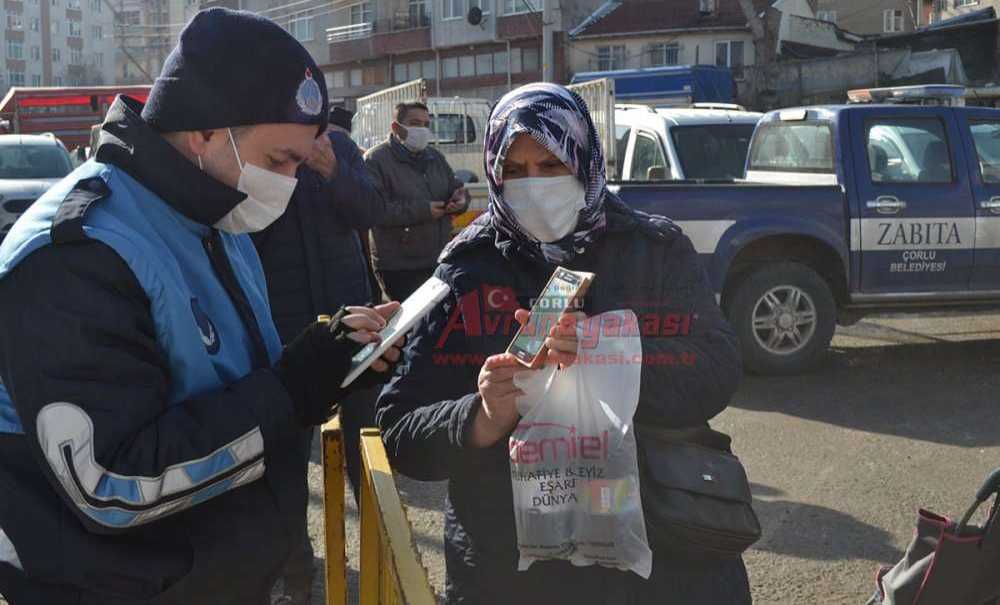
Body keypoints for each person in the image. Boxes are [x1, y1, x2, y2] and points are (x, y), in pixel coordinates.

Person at [0, 9, 402, 605]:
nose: (290, 183)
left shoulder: (213, 215)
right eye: (279, 161)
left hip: (207, 576)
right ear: (205, 132)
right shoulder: (79, 254)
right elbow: (112, 482)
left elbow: (219, 380)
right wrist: (293, 389)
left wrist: (329, 357)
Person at [374, 83, 752, 604]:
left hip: (659, 558)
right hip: (511, 569)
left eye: (551, 165)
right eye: (514, 170)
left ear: (584, 159)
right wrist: (482, 415)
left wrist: (609, 355)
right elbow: (401, 430)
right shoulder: (465, 269)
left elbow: (717, 370)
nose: (534, 185)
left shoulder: (655, 249)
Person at [251, 111, 386, 604]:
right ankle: (297, 570)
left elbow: (371, 211)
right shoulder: (261, 152)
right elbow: (245, 230)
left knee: (364, 443)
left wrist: (333, 171)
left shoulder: (343, 149)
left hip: (352, 323)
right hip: (286, 329)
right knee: (285, 457)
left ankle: (379, 548)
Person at [365, 101, 469, 301]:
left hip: (437, 259)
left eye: (425, 124)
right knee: (409, 326)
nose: (421, 129)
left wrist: (461, 199)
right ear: (396, 127)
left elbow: (455, 187)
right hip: (399, 266)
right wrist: (424, 210)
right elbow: (375, 210)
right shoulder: (376, 160)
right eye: (414, 123)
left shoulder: (434, 157)